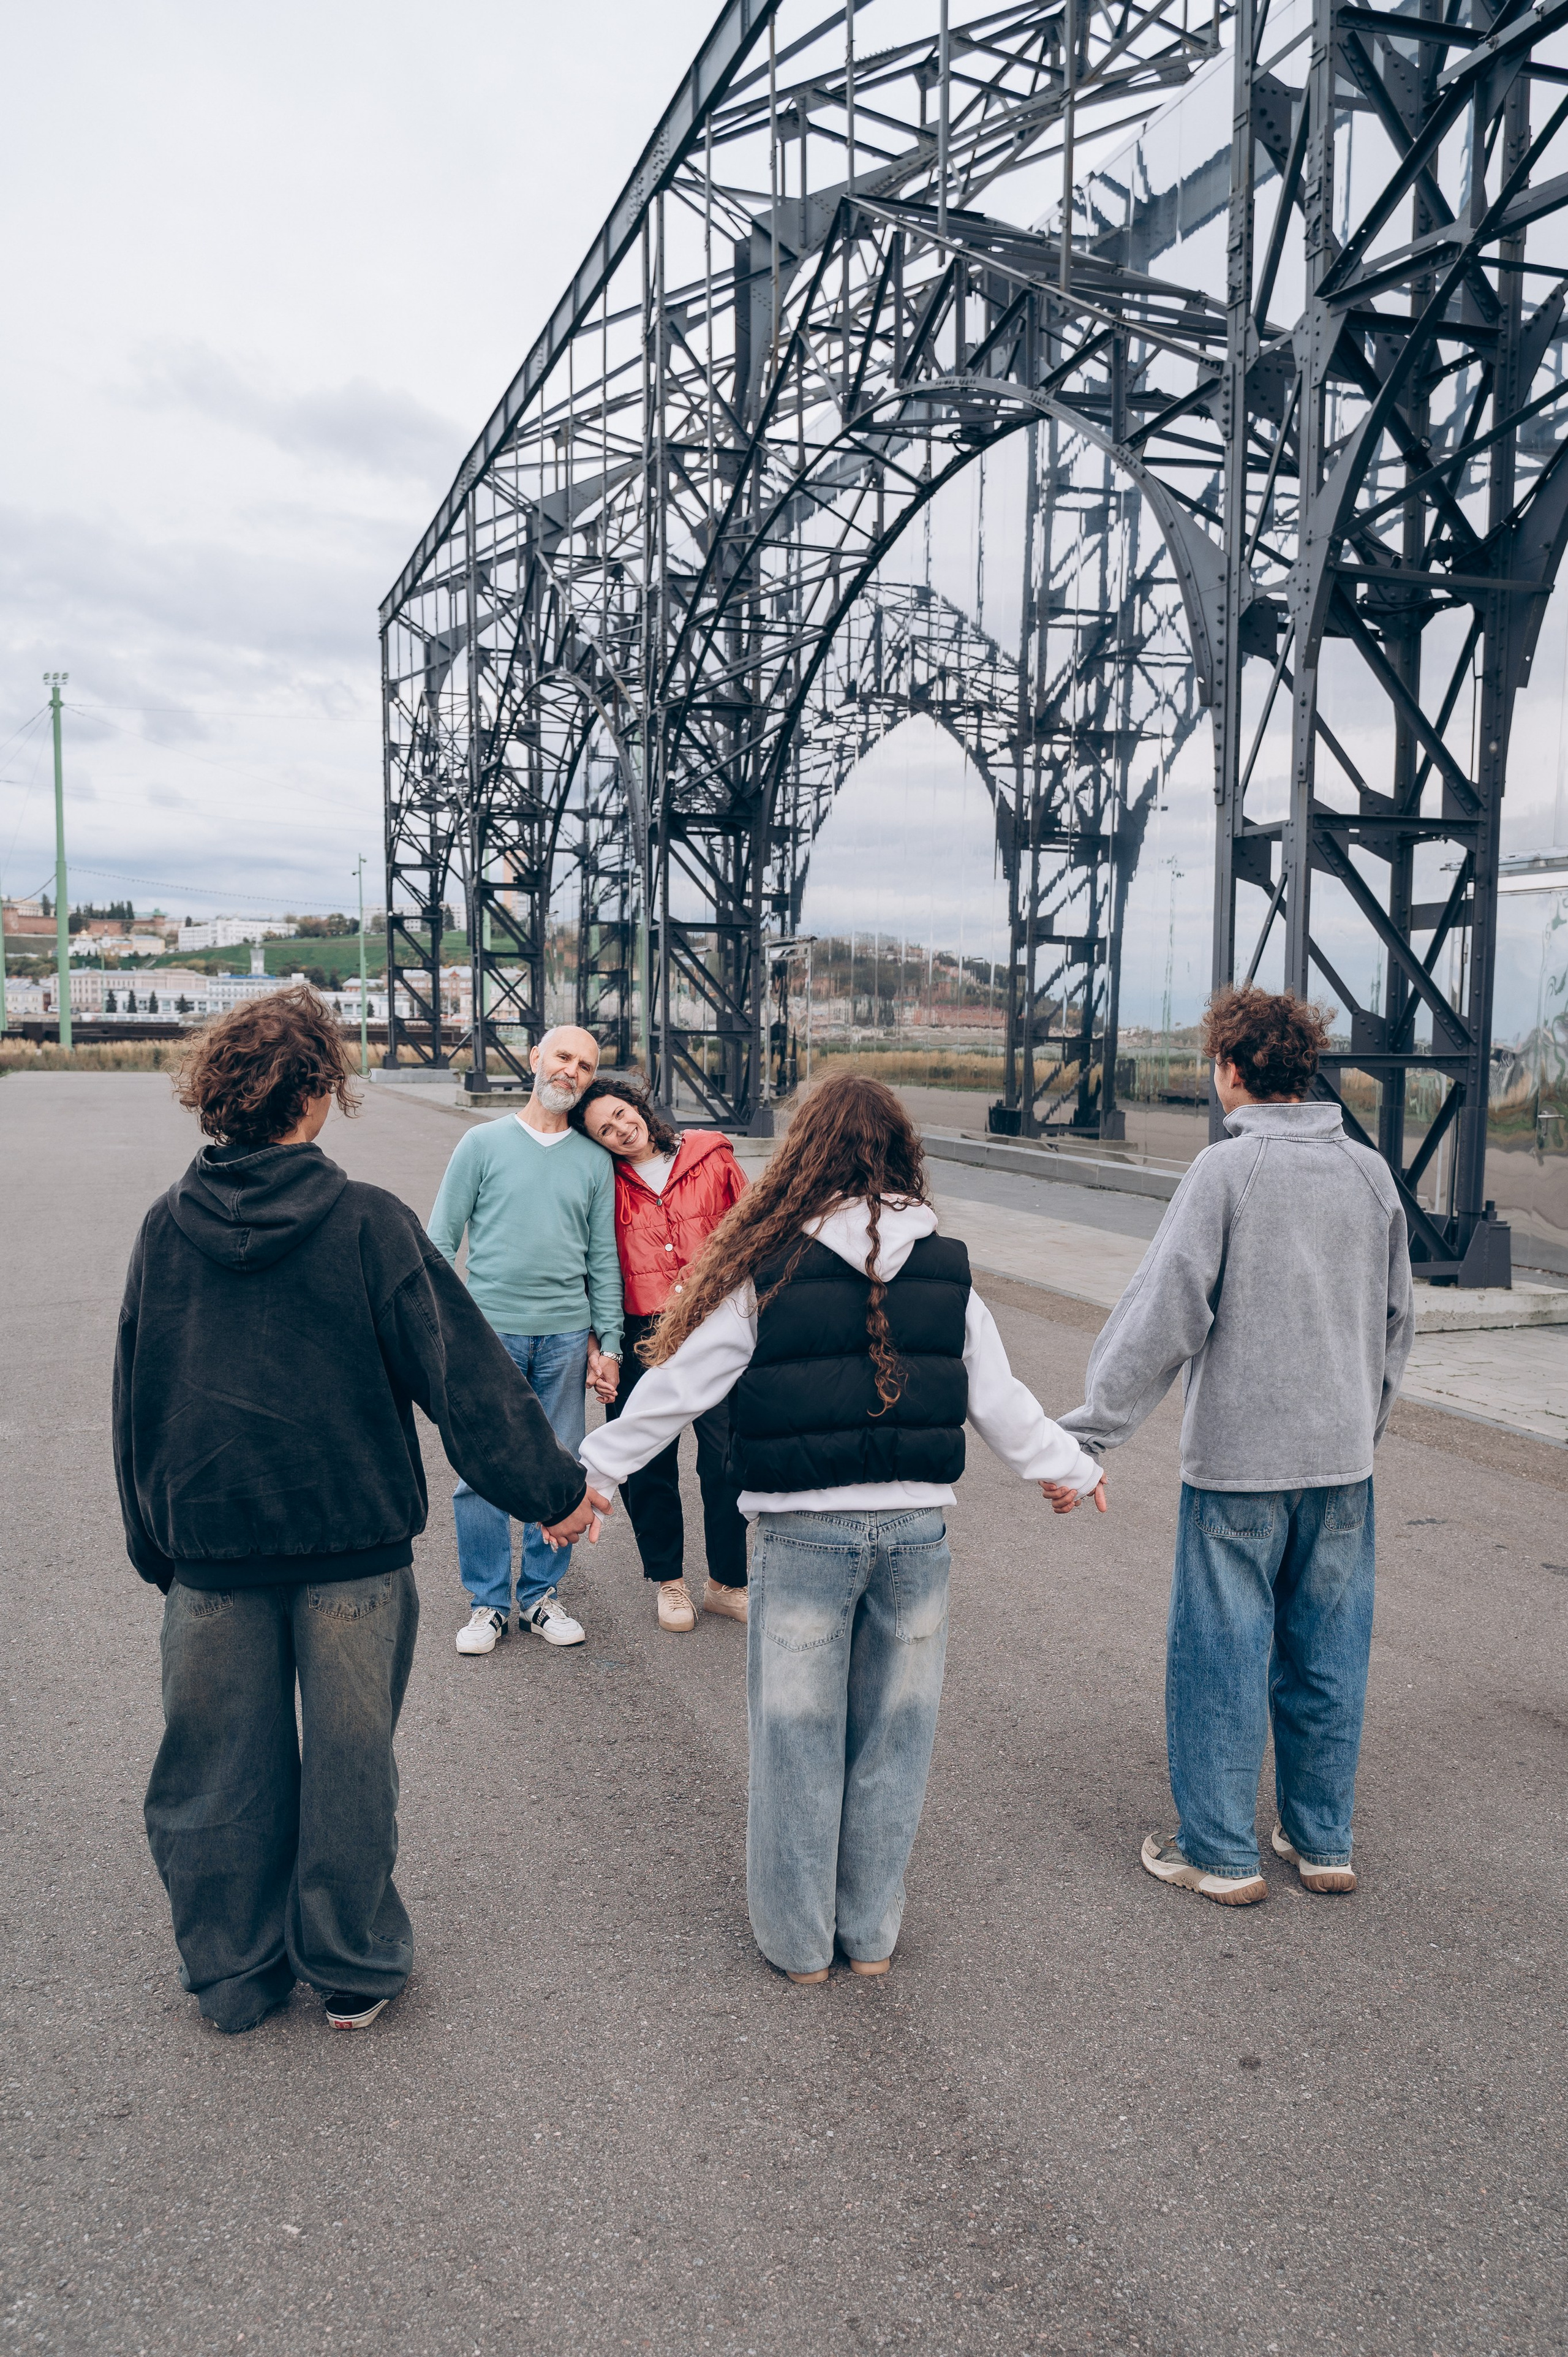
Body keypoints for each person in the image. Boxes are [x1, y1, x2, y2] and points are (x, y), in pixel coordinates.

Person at [113, 988, 601, 2035]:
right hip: (353, 1546)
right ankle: (348, 1966)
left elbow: (137, 1392)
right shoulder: (368, 1222)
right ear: (318, 1095)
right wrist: (554, 1493)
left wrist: (155, 1542)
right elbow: (460, 1372)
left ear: (221, 1096)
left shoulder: (167, 1227)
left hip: (212, 1550)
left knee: (212, 1770)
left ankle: (236, 1976)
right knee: (350, 1767)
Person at [578, 1073, 1106, 1984]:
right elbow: (998, 1396)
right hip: (914, 1534)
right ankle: (870, 1935)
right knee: (895, 1741)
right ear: (902, 1152)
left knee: (797, 1742)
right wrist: (1069, 1467)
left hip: (804, 1532)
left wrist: (598, 1471)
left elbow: (677, 1385)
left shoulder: (765, 1264)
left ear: (803, 1157)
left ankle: (798, 1945)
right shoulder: (948, 1262)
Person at [1056, 986, 1414, 1907]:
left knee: (1222, 1649)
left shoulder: (1226, 1171)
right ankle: (1320, 1836)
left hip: (1241, 1466)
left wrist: (1089, 1430)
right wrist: (1357, 1425)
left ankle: (1219, 1849)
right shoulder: (1371, 1175)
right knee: (1328, 1653)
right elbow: (1396, 1322)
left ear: (1230, 1071)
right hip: (1342, 1466)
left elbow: (1163, 1314)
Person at [428, 1025, 623, 1654]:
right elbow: (438, 1243)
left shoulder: (595, 1161)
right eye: (563, 1057)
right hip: (488, 1335)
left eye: (586, 1066)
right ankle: (487, 1604)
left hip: (566, 1335)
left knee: (560, 1465)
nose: (572, 1071)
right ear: (536, 1058)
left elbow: (603, 1260)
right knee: (478, 1470)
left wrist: (610, 1342)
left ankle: (540, 1596)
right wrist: (437, 1331)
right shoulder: (481, 1143)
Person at [568, 1075, 750, 1633]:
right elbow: (590, 1268)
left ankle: (727, 1582)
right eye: (605, 1129)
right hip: (640, 1329)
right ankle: (668, 1580)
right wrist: (601, 1347)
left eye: (623, 1114)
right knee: (649, 1463)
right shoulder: (601, 1183)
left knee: (727, 1458)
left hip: (717, 1324)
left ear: (639, 1106)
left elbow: (754, 1232)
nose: (622, 1129)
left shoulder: (711, 1155)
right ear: (596, 1142)